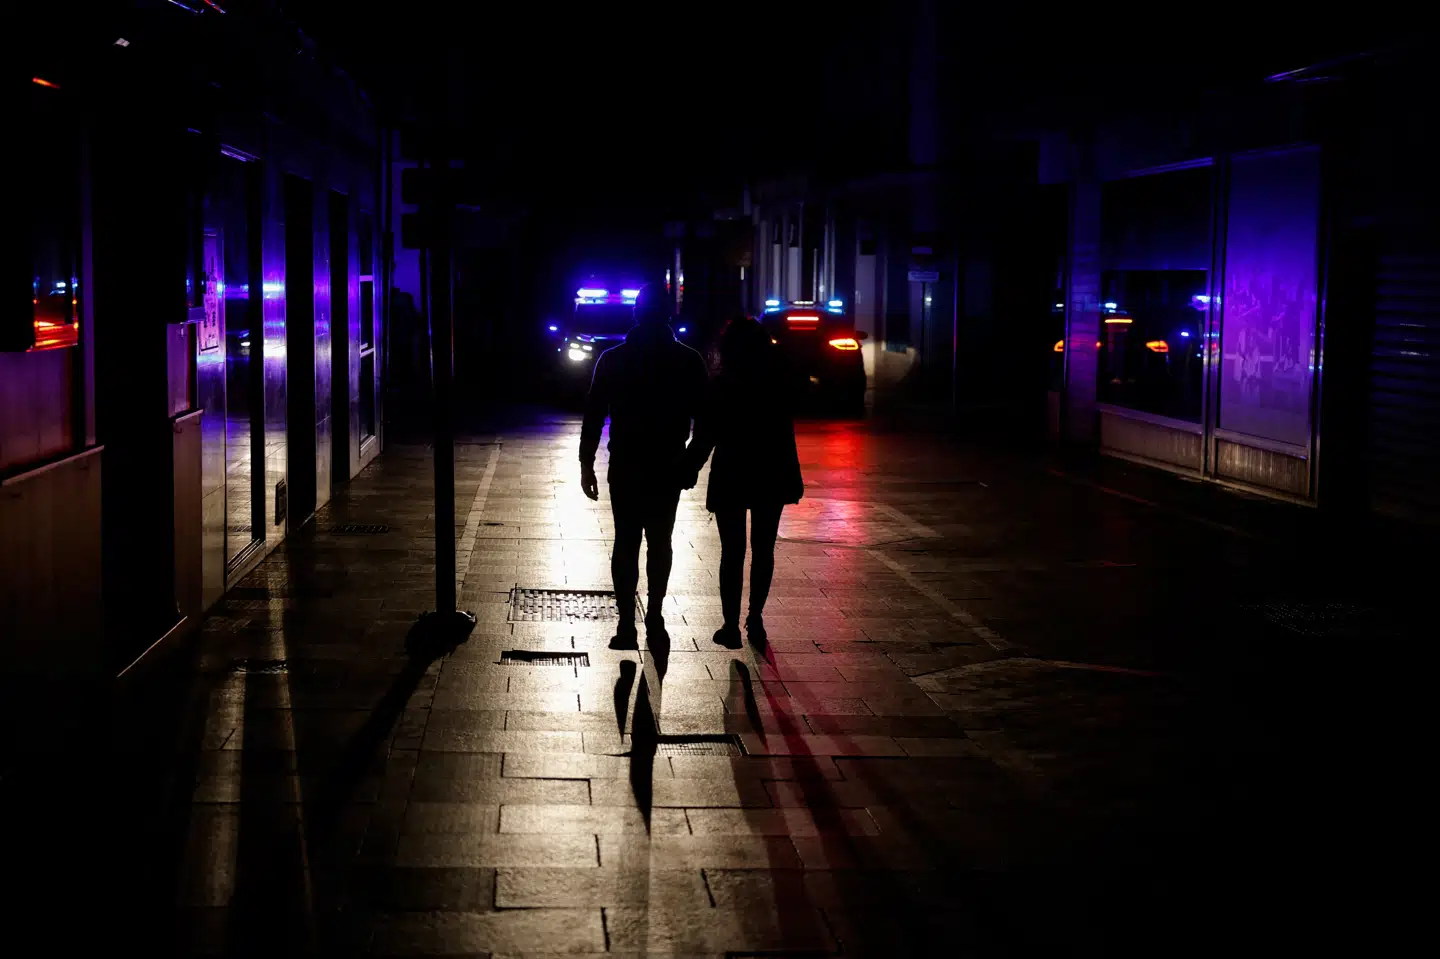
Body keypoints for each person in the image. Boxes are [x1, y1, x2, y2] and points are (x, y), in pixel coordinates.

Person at [580, 286, 708, 649]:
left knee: (626, 542)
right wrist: (691, 462)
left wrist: (586, 462)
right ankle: (654, 614)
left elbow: (594, 414)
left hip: (626, 463)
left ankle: (625, 623)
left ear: (636, 314)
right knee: (660, 542)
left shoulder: (613, 359)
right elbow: (707, 422)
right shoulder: (688, 360)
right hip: (668, 463)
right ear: (670, 315)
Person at [684, 316, 803, 649]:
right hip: (772, 472)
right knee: (764, 550)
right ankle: (756, 619)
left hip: (732, 473)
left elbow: (705, 434)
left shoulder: (722, 384)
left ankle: (730, 625)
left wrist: (688, 468)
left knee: (732, 552)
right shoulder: (778, 380)